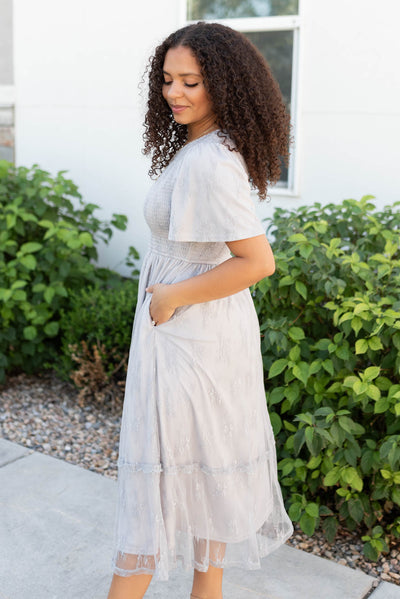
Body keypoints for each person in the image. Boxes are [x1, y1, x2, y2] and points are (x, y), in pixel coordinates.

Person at [107, 21, 293, 599]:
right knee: (199, 497)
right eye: (167, 80)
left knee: (156, 499)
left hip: (190, 340)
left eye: (192, 81)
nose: (175, 93)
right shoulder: (203, 148)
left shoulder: (210, 159)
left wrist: (170, 296)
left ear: (226, 83)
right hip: (195, 334)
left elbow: (257, 261)